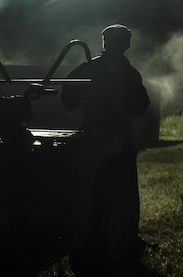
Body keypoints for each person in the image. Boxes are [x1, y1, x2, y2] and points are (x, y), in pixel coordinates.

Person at [60, 24, 151, 248]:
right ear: (126, 44)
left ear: (104, 42)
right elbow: (141, 105)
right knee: (125, 185)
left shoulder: (88, 68)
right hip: (120, 133)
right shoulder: (129, 73)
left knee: (84, 181)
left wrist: (81, 115)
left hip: (89, 131)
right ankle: (129, 236)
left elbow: (67, 93)